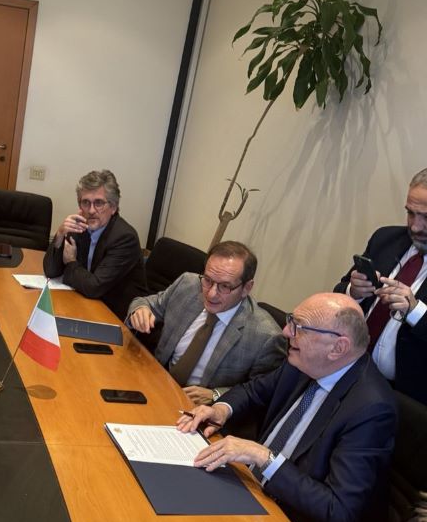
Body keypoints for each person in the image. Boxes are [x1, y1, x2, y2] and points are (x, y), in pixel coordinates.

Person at [178, 293, 397, 522]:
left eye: (299, 327)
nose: (285, 332)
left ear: (338, 348)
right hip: (248, 487)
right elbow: (254, 391)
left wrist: (263, 457)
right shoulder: (302, 361)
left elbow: (338, 510)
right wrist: (221, 409)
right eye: (291, 321)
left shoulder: (371, 409)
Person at [127, 241, 285, 406]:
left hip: (197, 409)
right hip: (154, 380)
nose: (211, 294)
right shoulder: (188, 284)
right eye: (208, 280)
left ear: (246, 288)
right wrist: (139, 310)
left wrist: (216, 395)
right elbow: (147, 303)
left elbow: (261, 392)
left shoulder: (266, 338)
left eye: (225, 286)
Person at [334, 168, 427, 404]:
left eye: (426, 217)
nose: (415, 226)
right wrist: (353, 292)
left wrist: (415, 311)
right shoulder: (385, 238)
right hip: (343, 369)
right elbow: (337, 294)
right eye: (411, 213)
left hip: (403, 398)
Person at [42, 170, 147, 320]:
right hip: (86, 303)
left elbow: (94, 287)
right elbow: (51, 271)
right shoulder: (81, 226)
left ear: (113, 207)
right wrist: (59, 235)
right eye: (86, 202)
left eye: (99, 203)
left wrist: (71, 262)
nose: (91, 210)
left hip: (116, 315)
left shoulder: (124, 238)